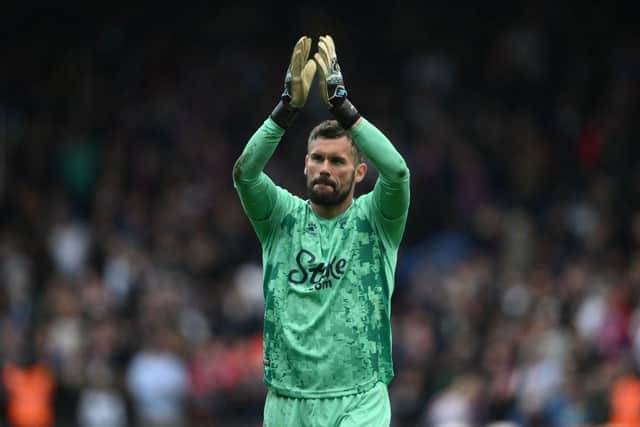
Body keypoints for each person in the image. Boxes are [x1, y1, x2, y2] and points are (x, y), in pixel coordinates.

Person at [233, 34, 410, 426]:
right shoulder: (281, 218)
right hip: (287, 400)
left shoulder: (375, 220)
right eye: (317, 158)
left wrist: (346, 110)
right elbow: (245, 174)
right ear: (305, 164)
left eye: (337, 161)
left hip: (359, 397)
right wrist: (286, 109)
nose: (325, 168)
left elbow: (397, 172)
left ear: (360, 172)